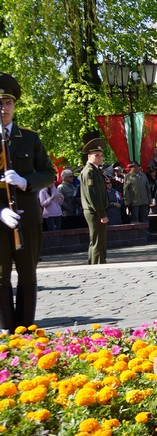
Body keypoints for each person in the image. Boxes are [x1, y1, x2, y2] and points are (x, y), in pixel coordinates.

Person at [0, 72, 56, 331]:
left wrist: (25, 182)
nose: (3, 108)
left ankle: (25, 327)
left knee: (27, 272)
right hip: (1, 218)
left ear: (14, 105)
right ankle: (5, 327)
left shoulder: (30, 138)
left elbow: (48, 173)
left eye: (8, 102)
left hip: (27, 216)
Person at [80, 133, 110, 264]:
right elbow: (93, 195)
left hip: (95, 210)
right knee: (98, 240)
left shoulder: (95, 170)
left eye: (101, 155)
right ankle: (98, 264)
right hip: (94, 211)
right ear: (89, 156)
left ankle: (95, 262)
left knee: (97, 239)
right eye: (96, 155)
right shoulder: (90, 172)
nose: (100, 157)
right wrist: (101, 213)